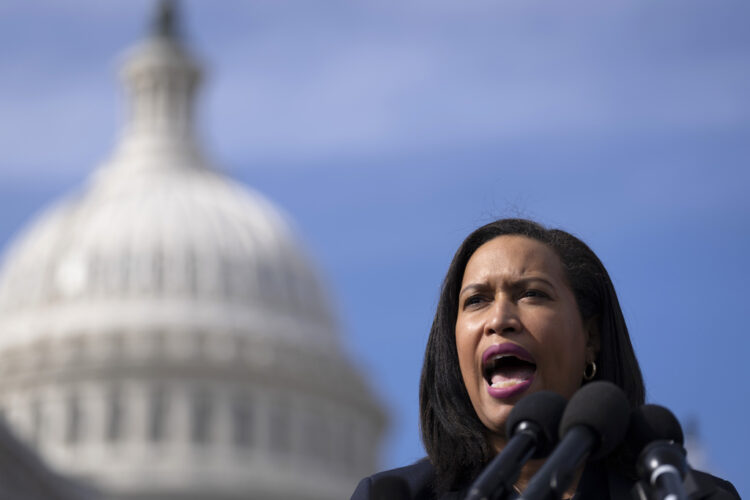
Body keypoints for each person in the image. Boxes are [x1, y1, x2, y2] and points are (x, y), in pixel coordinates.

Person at [351, 218, 739, 499]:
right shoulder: (393, 495)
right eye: (477, 300)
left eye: (532, 294)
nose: (499, 320)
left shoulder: (687, 494)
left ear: (591, 338)